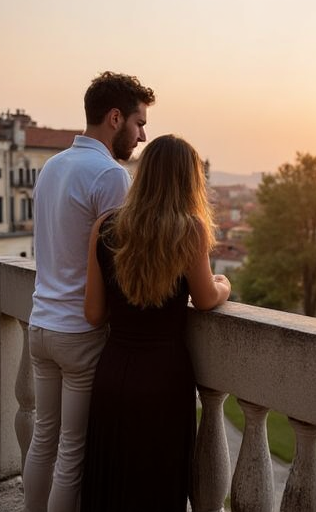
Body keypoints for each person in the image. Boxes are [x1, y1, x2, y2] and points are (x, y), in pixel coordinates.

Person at [23, 71, 155, 512]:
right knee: (71, 453)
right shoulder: (110, 176)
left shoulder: (52, 167)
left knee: (44, 437)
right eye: (139, 123)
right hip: (80, 331)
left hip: (40, 323)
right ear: (115, 118)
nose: (142, 135)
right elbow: (123, 266)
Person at [80, 134, 231, 512]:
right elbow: (205, 299)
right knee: (157, 482)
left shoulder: (106, 227)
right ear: (189, 180)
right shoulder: (191, 229)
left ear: (143, 174)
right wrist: (223, 285)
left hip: (114, 371)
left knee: (112, 479)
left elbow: (94, 314)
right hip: (165, 377)